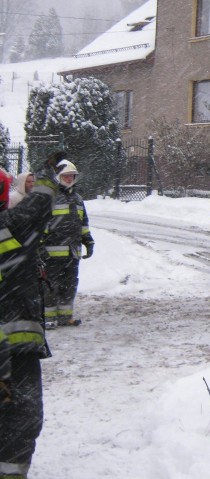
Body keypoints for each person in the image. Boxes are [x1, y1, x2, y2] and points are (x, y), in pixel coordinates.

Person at [0, 152, 63, 479]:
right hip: (15, 348)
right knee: (21, 417)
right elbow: (39, 203)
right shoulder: (13, 227)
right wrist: (48, 173)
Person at [39, 161, 94, 329]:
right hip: (52, 253)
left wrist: (88, 241)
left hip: (72, 253)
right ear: (58, 177)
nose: (69, 179)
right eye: (66, 176)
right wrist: (40, 247)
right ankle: (49, 318)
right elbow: (41, 224)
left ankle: (65, 317)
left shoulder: (77, 199)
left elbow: (83, 223)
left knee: (69, 285)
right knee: (50, 286)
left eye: (71, 176)